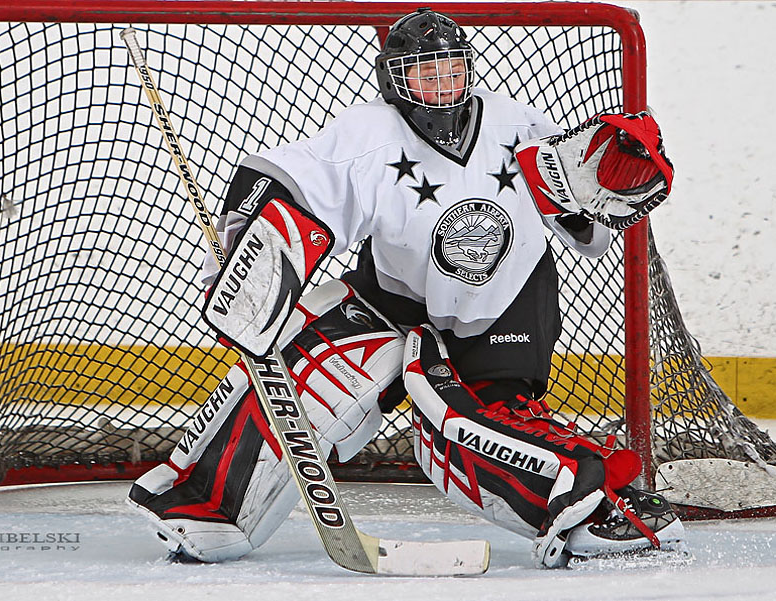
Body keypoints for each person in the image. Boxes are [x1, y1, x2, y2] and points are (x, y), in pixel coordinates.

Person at [127, 8, 682, 569]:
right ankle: (203, 506)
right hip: (388, 301)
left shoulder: (515, 125)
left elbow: (584, 227)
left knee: (466, 435)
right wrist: (251, 243)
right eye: (425, 74)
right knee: (308, 371)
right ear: (396, 80)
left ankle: (598, 506)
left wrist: (602, 189)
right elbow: (278, 177)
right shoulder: (369, 133)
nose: (443, 85)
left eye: (452, 70)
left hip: (502, 314)